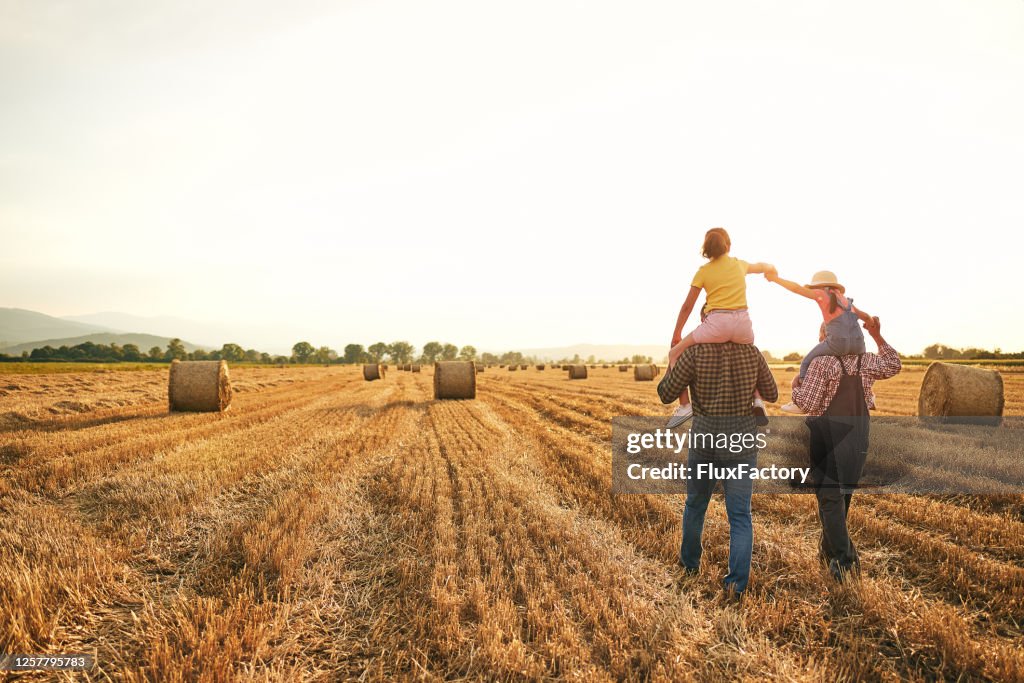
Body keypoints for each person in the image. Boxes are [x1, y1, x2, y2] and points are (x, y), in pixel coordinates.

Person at [657, 340, 779, 600]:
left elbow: (666, 393)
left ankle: (689, 567)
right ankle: (736, 586)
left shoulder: (693, 353)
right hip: (741, 441)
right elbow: (772, 392)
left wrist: (673, 358)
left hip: (705, 439)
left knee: (695, 505)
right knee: (740, 515)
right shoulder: (751, 352)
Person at [791, 315, 901, 581]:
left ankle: (845, 560)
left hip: (827, 435)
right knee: (844, 494)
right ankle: (827, 553)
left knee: (829, 499)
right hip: (859, 435)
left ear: (825, 339)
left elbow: (808, 403)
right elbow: (894, 364)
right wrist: (877, 335)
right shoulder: (867, 361)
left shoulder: (822, 362)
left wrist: (796, 387)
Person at [667, 227, 777, 428]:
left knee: (674, 353)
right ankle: (758, 399)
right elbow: (762, 265)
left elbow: (687, 306)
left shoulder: (703, 271)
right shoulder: (739, 264)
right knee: (750, 354)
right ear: (729, 246)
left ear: (706, 249)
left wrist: (677, 333)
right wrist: (771, 268)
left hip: (717, 323)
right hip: (743, 324)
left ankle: (684, 405)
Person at [764, 269, 874, 414]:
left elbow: (796, 288)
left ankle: (801, 401)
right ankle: (869, 396)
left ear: (820, 286)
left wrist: (775, 279)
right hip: (859, 344)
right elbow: (865, 316)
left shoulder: (822, 294)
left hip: (837, 343)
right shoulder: (847, 301)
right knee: (859, 366)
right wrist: (871, 323)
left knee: (806, 362)